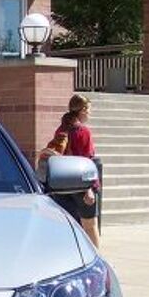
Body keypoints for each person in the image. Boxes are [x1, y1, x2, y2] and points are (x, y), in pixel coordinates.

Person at [51, 93, 100, 248]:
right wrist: (90, 188)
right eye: (89, 109)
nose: (90, 113)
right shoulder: (83, 131)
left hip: (62, 186)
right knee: (90, 226)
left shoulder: (61, 130)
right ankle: (95, 257)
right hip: (82, 186)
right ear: (82, 110)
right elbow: (87, 160)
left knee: (71, 226)